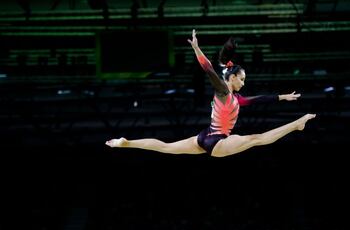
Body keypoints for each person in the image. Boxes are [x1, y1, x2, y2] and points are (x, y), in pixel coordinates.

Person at [105, 29, 316, 157]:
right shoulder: (224, 91)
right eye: (241, 79)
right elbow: (208, 69)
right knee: (257, 139)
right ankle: (297, 124)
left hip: (204, 137)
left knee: (166, 147)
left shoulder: (234, 98)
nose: (243, 83)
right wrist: (197, 50)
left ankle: (127, 143)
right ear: (232, 78)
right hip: (218, 141)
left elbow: (257, 99)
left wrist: (282, 97)